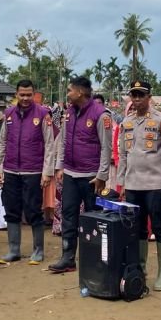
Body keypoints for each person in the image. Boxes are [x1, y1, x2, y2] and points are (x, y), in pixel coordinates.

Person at [117, 81, 161, 290]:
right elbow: (123, 155)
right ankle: (140, 269)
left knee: (160, 227)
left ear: (149, 97)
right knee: (138, 229)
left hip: (155, 184)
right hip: (133, 184)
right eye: (133, 95)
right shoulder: (126, 122)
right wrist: (121, 182)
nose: (136, 99)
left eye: (140, 95)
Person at [49, 77, 112, 274]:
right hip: (70, 173)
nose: (67, 94)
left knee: (93, 218)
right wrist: (60, 167)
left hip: (91, 176)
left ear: (80, 92)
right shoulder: (68, 113)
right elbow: (64, 142)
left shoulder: (101, 114)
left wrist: (102, 175)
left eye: (69, 90)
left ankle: (95, 259)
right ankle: (68, 258)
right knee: (68, 216)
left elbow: (106, 148)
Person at [0, 80, 55, 266]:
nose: (25, 98)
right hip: (10, 170)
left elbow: (50, 144)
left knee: (33, 211)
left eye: (29, 94)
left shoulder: (43, 114)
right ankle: (14, 250)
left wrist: (47, 172)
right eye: (22, 94)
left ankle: (38, 250)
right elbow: (3, 142)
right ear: (16, 94)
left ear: (34, 94)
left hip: (33, 170)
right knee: (11, 210)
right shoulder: (8, 114)